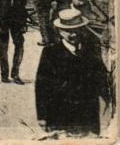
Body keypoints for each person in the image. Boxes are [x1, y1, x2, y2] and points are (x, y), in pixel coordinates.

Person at [35, 8, 110, 136]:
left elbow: (101, 77)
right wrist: (42, 116)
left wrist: (108, 100)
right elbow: (42, 86)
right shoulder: (50, 53)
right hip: (60, 114)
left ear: (82, 29)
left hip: (88, 114)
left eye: (76, 30)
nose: (73, 34)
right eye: (68, 31)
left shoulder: (91, 50)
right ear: (59, 31)